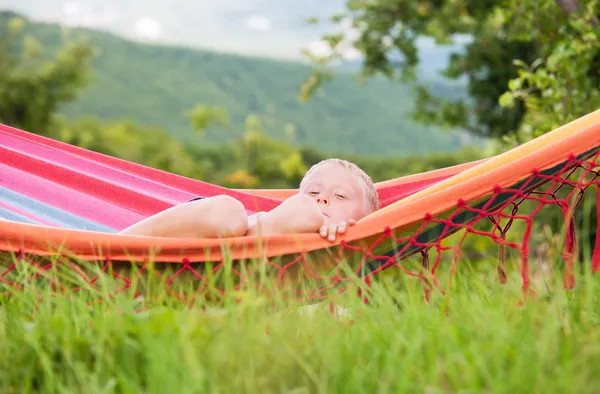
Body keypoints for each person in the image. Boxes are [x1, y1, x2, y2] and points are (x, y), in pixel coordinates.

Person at [119, 158, 380, 242]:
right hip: (200, 235)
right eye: (313, 192)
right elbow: (302, 210)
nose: (321, 199)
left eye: (340, 196)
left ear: (366, 220)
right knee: (228, 211)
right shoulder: (299, 211)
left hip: (206, 281)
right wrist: (308, 211)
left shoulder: (340, 290)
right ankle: (110, 247)